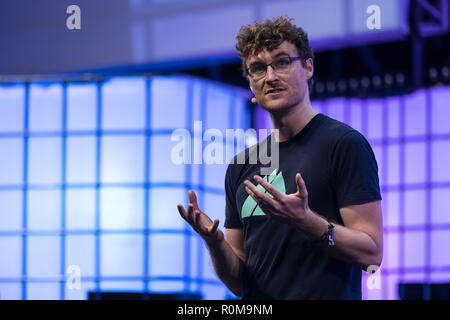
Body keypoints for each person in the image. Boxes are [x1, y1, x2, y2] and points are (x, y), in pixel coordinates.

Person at [177, 15, 383, 300]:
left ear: (308, 67)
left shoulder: (344, 145)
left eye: (282, 62)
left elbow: (371, 254)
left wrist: (305, 220)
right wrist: (214, 243)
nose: (270, 77)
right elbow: (240, 284)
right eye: (258, 68)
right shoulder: (241, 166)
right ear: (250, 83)